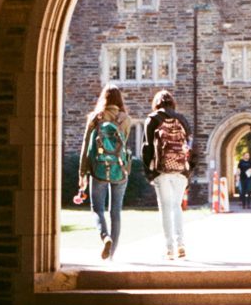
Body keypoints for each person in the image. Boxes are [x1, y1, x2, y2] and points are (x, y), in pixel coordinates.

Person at [78, 84, 132, 260]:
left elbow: (86, 147)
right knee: (115, 212)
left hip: (98, 169)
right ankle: (111, 256)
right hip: (120, 169)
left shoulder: (96, 118)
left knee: (97, 209)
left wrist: (82, 174)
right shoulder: (126, 119)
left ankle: (105, 237)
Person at [142, 90, 195, 260]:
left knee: (165, 207)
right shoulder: (183, 120)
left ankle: (169, 248)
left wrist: (149, 172)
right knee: (176, 206)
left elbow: (147, 147)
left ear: (156, 103)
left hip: (161, 170)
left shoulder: (152, 119)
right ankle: (181, 245)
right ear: (172, 103)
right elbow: (192, 147)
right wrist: (189, 170)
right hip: (181, 169)